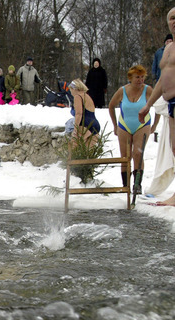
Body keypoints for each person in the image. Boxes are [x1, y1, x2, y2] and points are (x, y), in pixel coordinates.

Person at [139, 7, 175, 205]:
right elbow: (163, 80)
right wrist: (148, 105)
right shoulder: (168, 49)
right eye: (171, 18)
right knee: (174, 148)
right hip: (171, 103)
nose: (174, 21)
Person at [109, 65, 152, 193]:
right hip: (124, 125)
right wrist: (115, 125)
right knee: (125, 156)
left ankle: (137, 184)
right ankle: (125, 185)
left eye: (142, 77)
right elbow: (111, 106)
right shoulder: (122, 91)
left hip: (142, 125)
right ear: (130, 78)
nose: (140, 80)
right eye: (137, 77)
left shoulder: (148, 90)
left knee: (138, 153)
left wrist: (154, 125)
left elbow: (159, 106)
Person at [68, 79, 101, 146]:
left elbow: (79, 114)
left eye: (70, 90)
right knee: (87, 153)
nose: (71, 92)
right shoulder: (87, 96)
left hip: (85, 124)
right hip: (95, 125)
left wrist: (75, 129)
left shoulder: (78, 96)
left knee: (73, 149)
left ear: (74, 89)